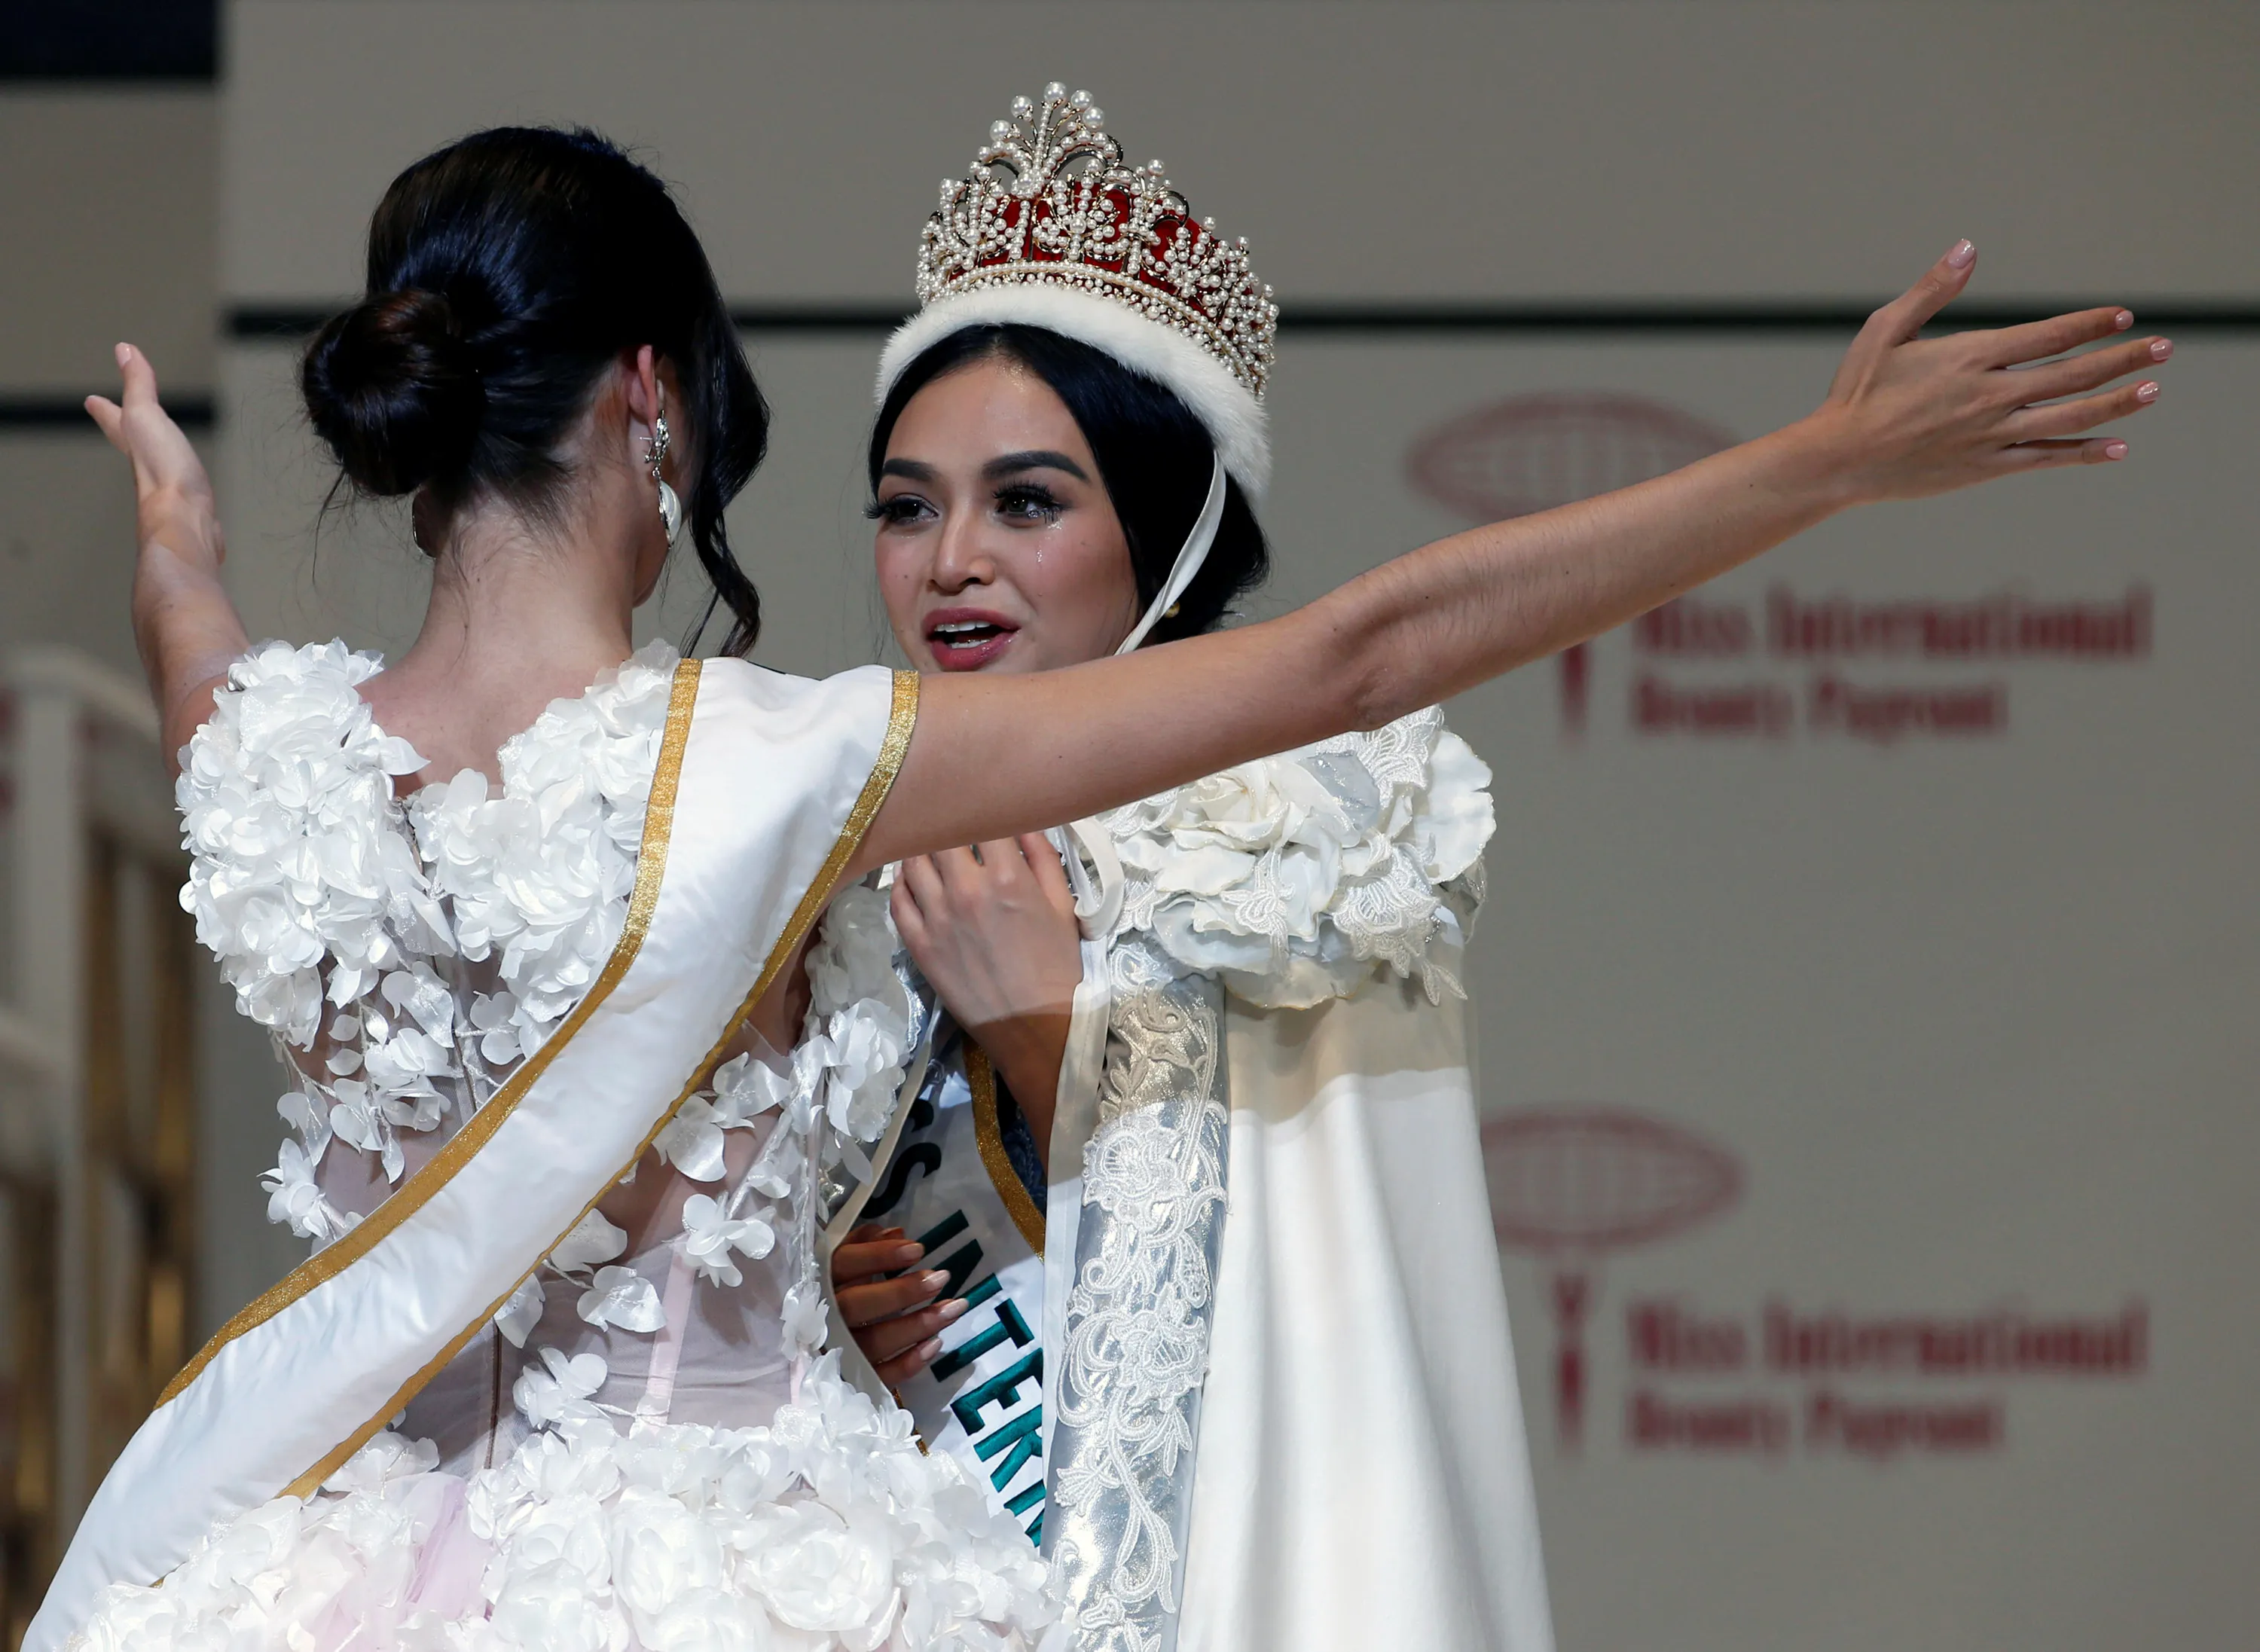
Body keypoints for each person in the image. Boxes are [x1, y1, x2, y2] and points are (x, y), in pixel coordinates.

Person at [37, 78, 2162, 1652]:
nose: (951, 557)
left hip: (322, 1584)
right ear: (653, 403)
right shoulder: (782, 763)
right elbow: (1368, 651)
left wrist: (179, 547)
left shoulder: (274, 767)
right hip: (729, 1573)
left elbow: (194, 644)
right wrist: (1819, 464)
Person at [826, 84, 1546, 1651]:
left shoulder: (1294, 826)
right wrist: (838, 1327)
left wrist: (1045, 1031)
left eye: (1027, 501)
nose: (950, 561)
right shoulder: (846, 849)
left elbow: (1315, 1307)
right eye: (905, 507)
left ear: (1162, 523)